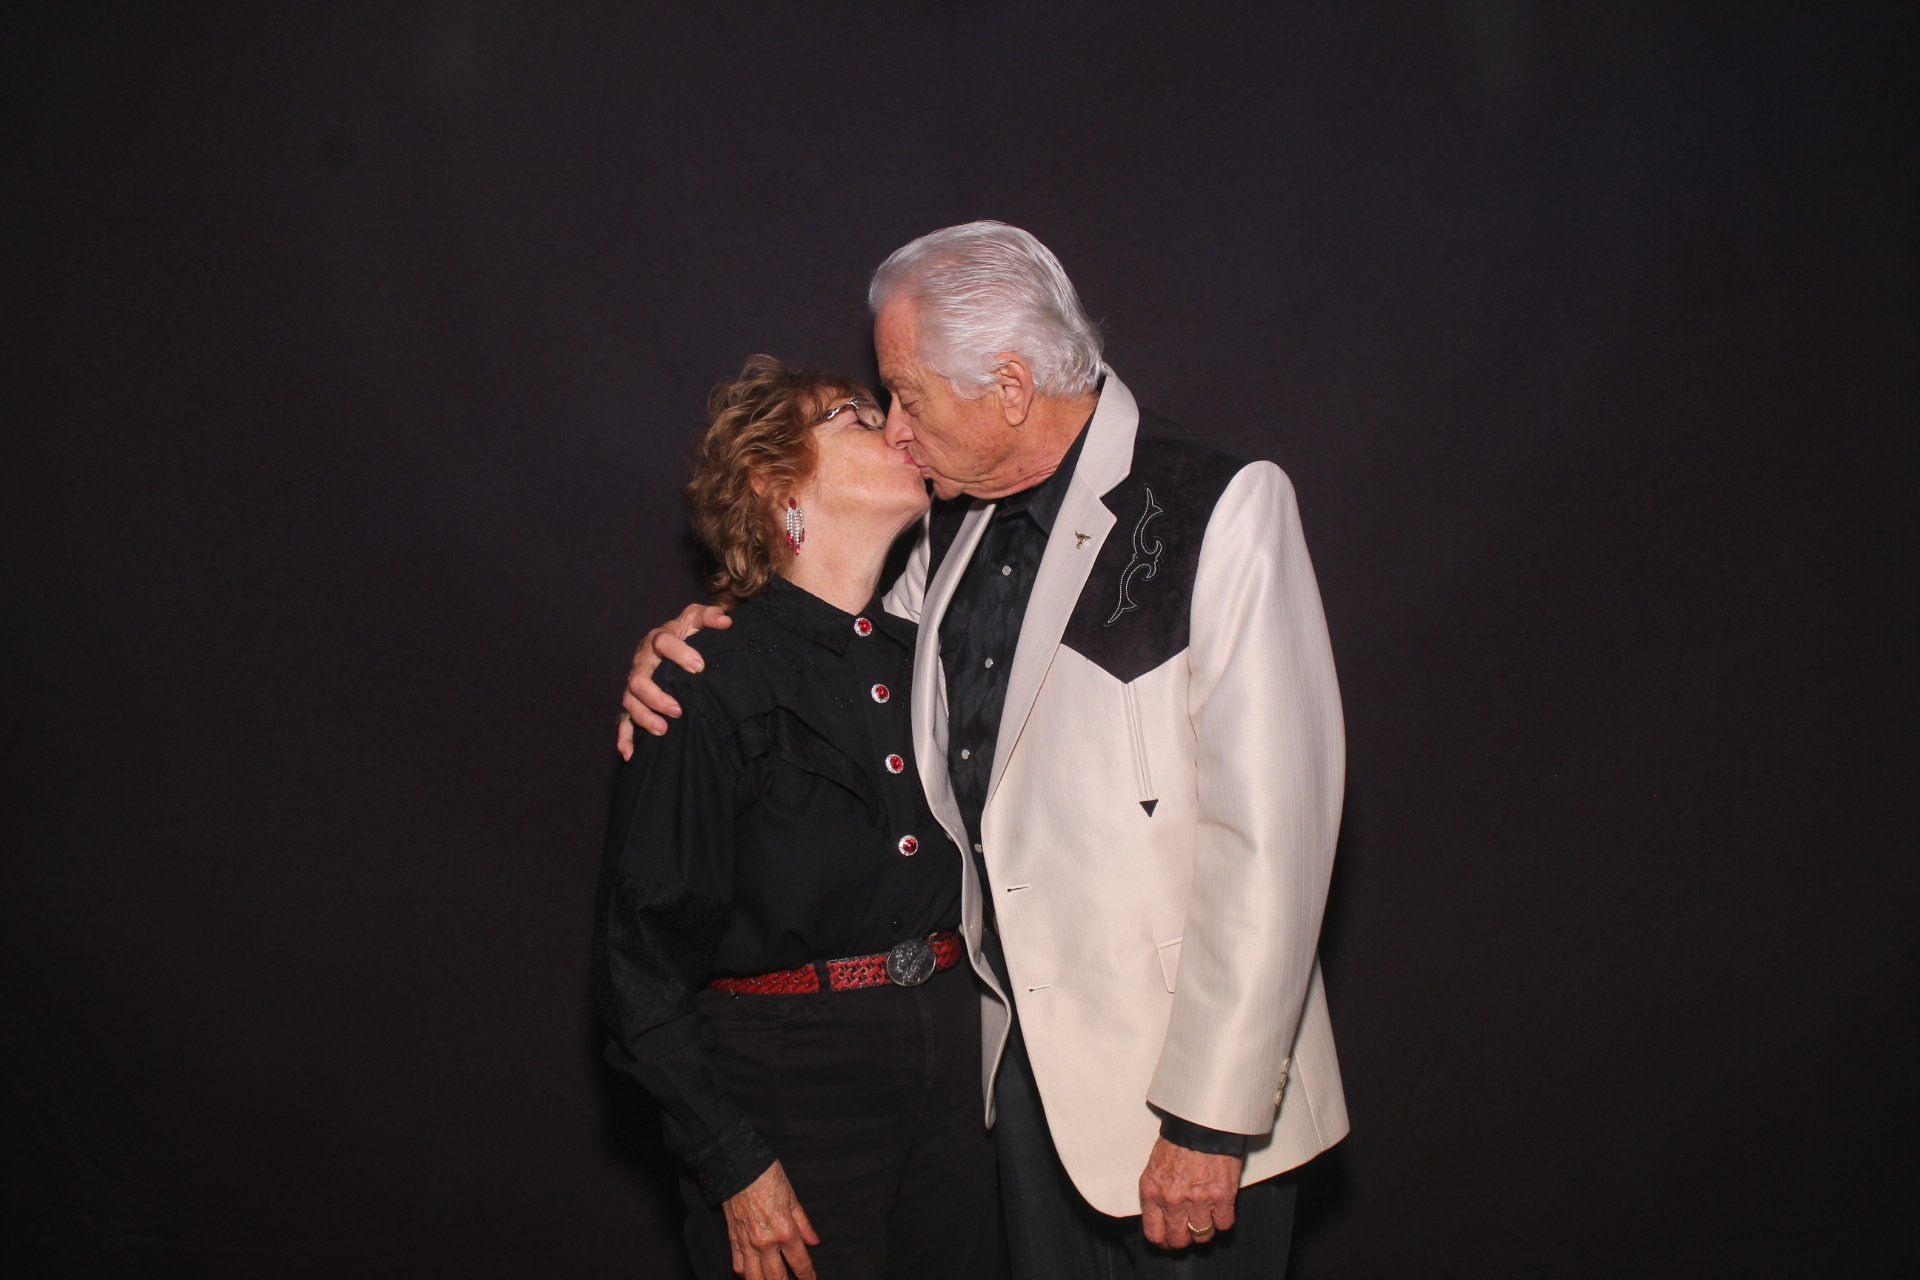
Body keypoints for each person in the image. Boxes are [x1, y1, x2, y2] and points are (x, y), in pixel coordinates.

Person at [622, 222, 1348, 1279]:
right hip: (1016, 1103)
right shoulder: (948, 538)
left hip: (1180, 1109)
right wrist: (683, 643)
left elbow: (1277, 838)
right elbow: (823, 625)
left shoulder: (1215, 505)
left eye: (906, 395)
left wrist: (1212, 1116)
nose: (897, 426)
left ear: (1009, 386)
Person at [594, 355, 998, 1280]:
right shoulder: (707, 681)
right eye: (856, 416)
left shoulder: (937, 660)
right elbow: (639, 967)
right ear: (773, 483)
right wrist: (732, 1161)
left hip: (956, 1072)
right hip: (787, 1090)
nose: (898, 428)